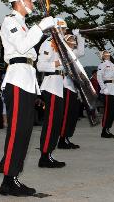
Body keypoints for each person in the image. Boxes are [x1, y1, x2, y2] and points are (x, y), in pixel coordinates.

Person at [0, 0, 55, 197]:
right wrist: (40, 27)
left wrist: (37, 91)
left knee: (24, 132)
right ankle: (8, 180)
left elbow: (31, 60)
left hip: (27, 80)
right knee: (17, 131)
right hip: (17, 80)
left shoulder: (22, 24)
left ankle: (11, 177)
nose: (31, 4)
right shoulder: (10, 21)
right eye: (29, 0)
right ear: (19, 2)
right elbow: (22, 48)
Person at [36, 18, 68, 168]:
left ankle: (49, 153)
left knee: (56, 123)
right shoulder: (49, 43)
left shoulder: (61, 45)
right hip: (51, 86)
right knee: (50, 123)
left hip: (58, 85)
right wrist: (57, 64)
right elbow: (40, 65)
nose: (64, 32)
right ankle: (44, 155)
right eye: (62, 29)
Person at [58, 31, 85, 149]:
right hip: (66, 86)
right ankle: (62, 139)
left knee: (73, 114)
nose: (73, 43)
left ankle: (67, 137)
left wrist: (79, 36)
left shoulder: (73, 53)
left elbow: (81, 51)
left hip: (73, 86)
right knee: (67, 113)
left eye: (74, 41)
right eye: (71, 41)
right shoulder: (63, 52)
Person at [97, 50, 114, 138]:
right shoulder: (102, 65)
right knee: (107, 110)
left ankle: (108, 129)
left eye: (108, 53)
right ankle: (104, 130)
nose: (107, 55)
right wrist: (103, 88)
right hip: (107, 88)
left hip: (113, 88)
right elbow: (99, 77)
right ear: (102, 56)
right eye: (105, 54)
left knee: (112, 111)